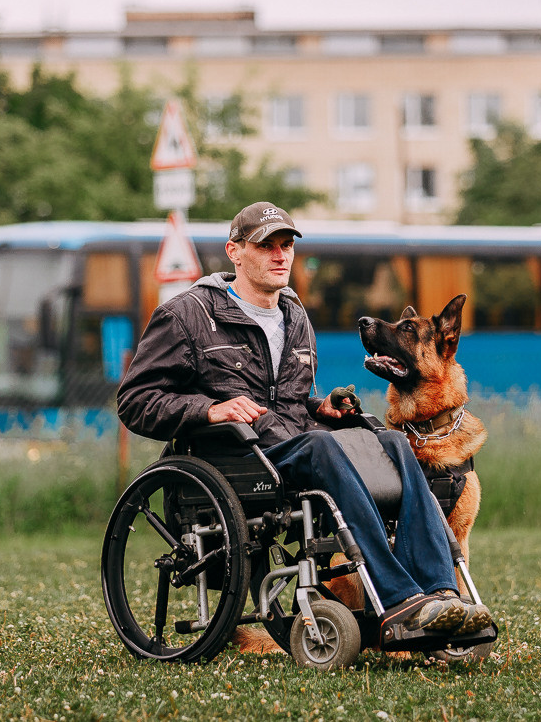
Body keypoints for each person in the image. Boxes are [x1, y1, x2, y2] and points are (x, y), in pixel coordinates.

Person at [117, 201, 492, 639]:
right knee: (324, 445)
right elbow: (135, 401)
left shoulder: (294, 315)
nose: (280, 256)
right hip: (237, 457)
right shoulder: (187, 315)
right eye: (266, 246)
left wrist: (319, 408)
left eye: (287, 246)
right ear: (235, 252)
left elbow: (286, 400)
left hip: (297, 447)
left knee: (392, 442)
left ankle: (442, 595)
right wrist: (209, 409)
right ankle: (400, 600)